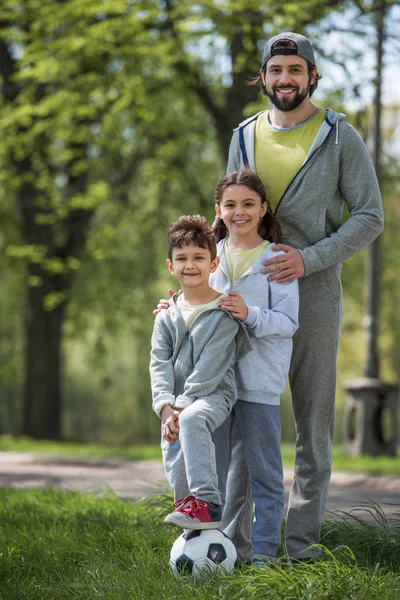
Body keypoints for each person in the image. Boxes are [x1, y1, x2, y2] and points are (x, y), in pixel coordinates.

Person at [222, 31, 384, 562]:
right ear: (263, 78)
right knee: (245, 417)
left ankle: (302, 547)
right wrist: (194, 291)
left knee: (312, 423)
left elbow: (369, 216)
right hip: (246, 297)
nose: (285, 79)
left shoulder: (340, 137)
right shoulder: (244, 135)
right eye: (276, 70)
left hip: (314, 295)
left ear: (311, 75)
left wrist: (309, 259)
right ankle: (237, 547)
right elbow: (232, 212)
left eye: (296, 69)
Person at [210, 170, 299, 566]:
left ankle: (264, 555)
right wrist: (173, 310)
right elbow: (195, 305)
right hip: (214, 382)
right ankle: (226, 553)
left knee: (263, 472)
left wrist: (249, 314)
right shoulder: (210, 256)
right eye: (231, 204)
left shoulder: (276, 257)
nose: (239, 211)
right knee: (221, 474)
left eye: (248, 203)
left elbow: (287, 322)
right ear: (219, 210)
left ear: (263, 208)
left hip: (259, 380)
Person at [149, 215, 251, 530]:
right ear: (171, 266)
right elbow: (159, 362)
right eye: (182, 258)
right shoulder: (166, 315)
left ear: (214, 263)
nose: (190, 264)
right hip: (176, 402)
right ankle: (189, 513)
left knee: (192, 419)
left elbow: (210, 367)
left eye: (198, 258)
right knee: (175, 455)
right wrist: (166, 408)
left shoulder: (224, 313)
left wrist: (182, 407)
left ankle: (207, 503)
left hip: (213, 394)